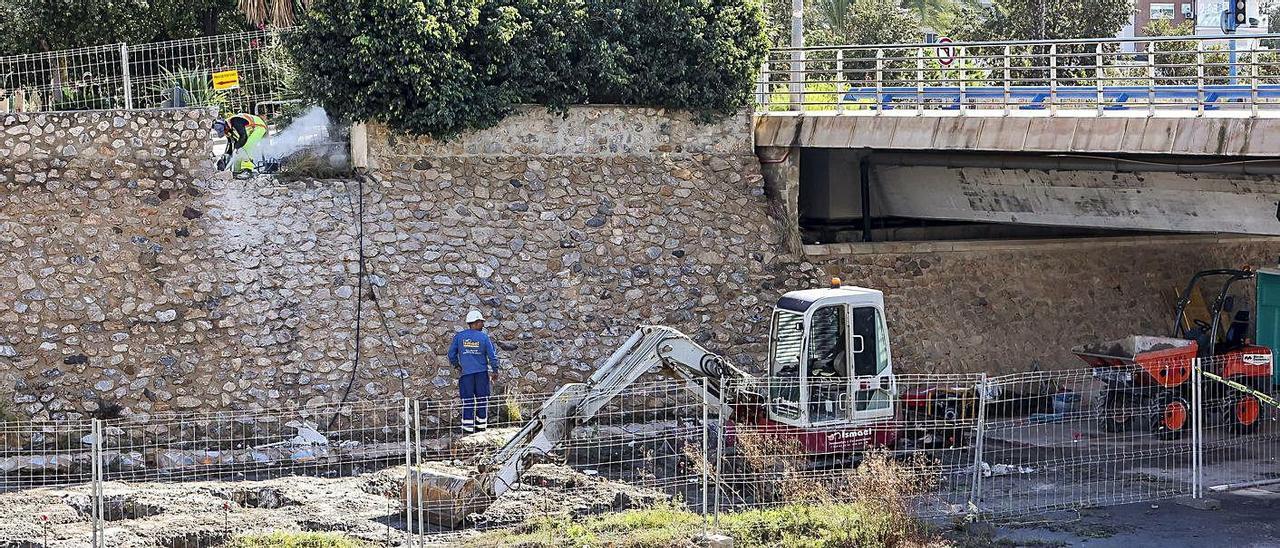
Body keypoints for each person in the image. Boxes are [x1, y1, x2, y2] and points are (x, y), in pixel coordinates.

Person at [447, 309, 500, 433]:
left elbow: (451, 354)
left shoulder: (460, 337)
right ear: (475, 322)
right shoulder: (484, 337)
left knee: (467, 400)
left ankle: (468, 428)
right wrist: (495, 370)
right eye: (481, 322)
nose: (483, 324)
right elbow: (492, 356)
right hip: (481, 374)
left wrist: (457, 366)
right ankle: (481, 427)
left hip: (466, 374)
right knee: (482, 399)